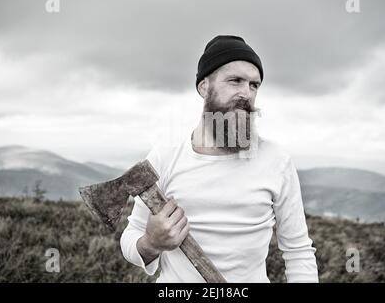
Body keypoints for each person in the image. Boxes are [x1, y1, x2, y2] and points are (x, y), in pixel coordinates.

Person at [120, 35, 319, 282]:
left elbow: (298, 252)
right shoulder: (165, 156)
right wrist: (151, 243)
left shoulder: (276, 160)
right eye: (235, 81)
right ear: (204, 87)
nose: (246, 93)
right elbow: (131, 237)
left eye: (254, 85)